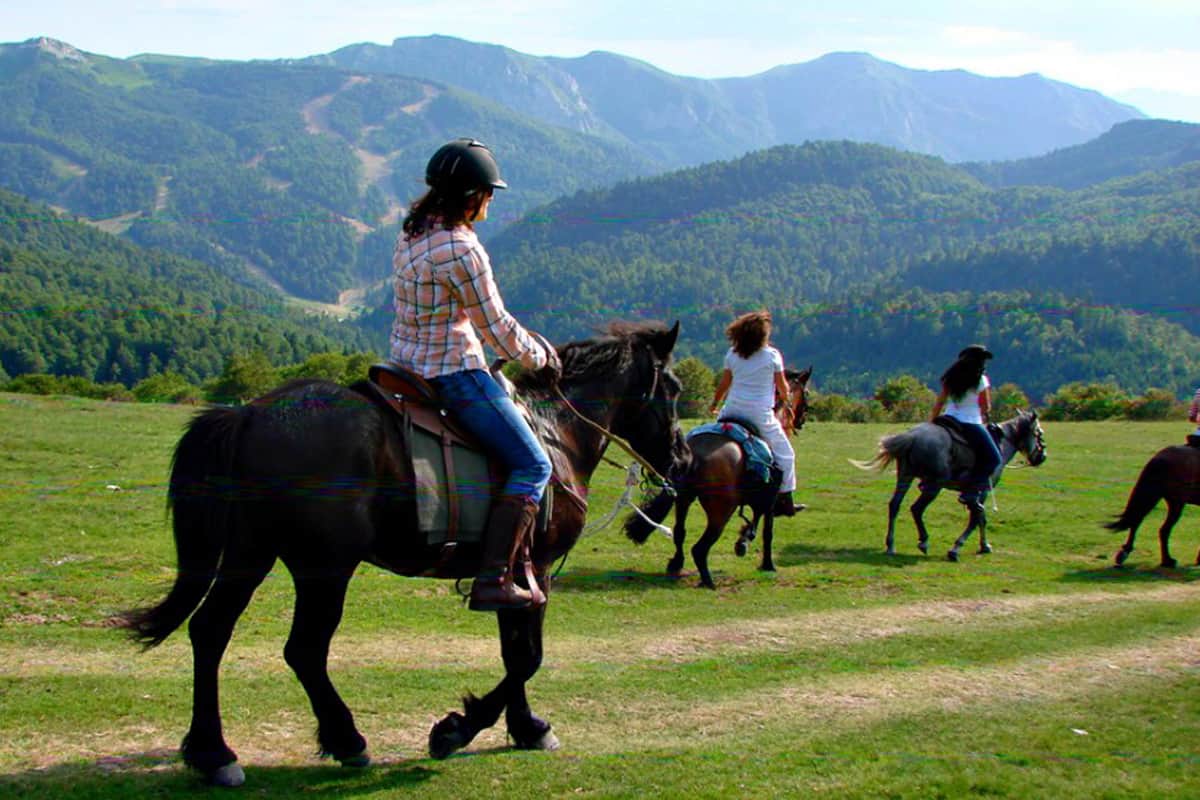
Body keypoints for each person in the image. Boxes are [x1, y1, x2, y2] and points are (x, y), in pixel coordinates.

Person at [391, 138, 559, 611]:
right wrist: (540, 357)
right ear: (473, 196)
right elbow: (497, 330)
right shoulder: (462, 249)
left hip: (403, 366)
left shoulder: (412, 233)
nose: (490, 201)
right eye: (489, 193)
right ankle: (493, 579)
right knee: (534, 464)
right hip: (452, 374)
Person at [709, 310, 799, 517]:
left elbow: (724, 384)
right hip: (759, 416)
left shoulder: (732, 354)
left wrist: (715, 403)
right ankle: (784, 499)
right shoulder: (772, 356)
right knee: (786, 456)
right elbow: (782, 387)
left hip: (730, 411)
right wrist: (786, 400)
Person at [930, 344, 1002, 511]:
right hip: (970, 421)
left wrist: (932, 421)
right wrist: (986, 415)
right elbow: (985, 407)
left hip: (948, 418)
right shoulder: (981, 380)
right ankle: (971, 490)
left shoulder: (950, 377)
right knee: (994, 459)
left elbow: (939, 402)